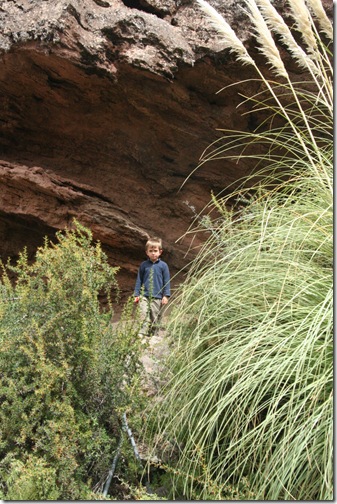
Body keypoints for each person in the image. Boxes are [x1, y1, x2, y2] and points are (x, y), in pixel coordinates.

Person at [134, 237, 170, 337]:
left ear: (160, 252)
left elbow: (166, 281)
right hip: (144, 295)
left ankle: (154, 336)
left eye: (155, 251)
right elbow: (139, 280)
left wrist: (166, 295)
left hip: (157, 297)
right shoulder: (143, 265)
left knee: (155, 316)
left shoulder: (163, 266)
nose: (153, 253)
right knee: (143, 314)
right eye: (151, 251)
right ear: (147, 252)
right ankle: (142, 333)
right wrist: (136, 294)